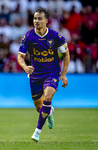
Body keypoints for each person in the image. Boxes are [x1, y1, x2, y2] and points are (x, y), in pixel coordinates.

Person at [17, 7, 70, 142]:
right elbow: (20, 57)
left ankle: (37, 132)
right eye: (35, 18)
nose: (36, 21)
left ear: (46, 21)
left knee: (47, 97)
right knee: (38, 107)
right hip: (35, 75)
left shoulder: (56, 36)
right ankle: (50, 111)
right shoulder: (28, 36)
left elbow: (66, 54)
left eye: (40, 18)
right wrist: (25, 67)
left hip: (52, 73)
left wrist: (63, 74)